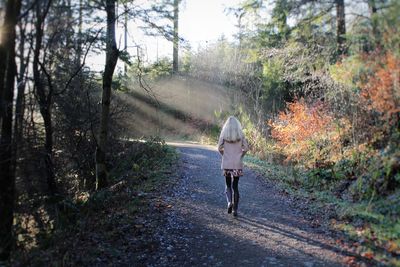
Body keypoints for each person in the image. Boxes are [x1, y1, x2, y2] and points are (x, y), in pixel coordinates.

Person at [217, 116, 249, 217]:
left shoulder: (224, 134)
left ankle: (229, 202)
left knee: (228, 185)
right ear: (237, 125)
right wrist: (241, 156)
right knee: (235, 186)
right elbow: (246, 148)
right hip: (237, 164)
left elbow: (219, 148)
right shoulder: (241, 134)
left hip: (227, 164)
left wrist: (224, 155)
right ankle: (235, 209)